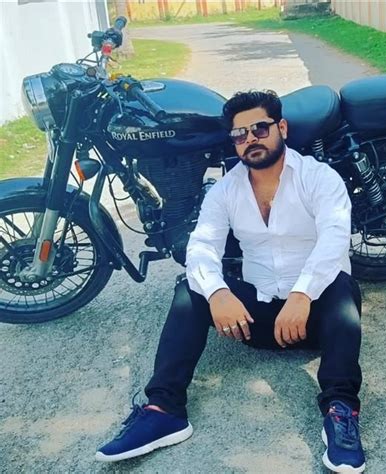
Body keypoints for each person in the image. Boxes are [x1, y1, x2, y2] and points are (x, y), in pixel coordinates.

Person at [96, 90, 366, 473]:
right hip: (256, 321)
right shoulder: (226, 190)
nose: (250, 139)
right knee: (189, 289)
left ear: (282, 128)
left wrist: (302, 295)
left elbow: (334, 239)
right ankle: (164, 411)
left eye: (260, 128)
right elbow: (202, 245)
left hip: (314, 318)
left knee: (341, 287)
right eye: (240, 134)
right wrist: (218, 293)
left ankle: (340, 413)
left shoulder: (318, 178)